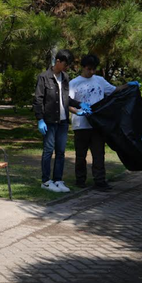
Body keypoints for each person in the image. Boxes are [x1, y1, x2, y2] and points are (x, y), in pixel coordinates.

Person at [68, 54, 138, 191]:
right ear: (83, 67)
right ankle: (80, 180)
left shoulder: (99, 80)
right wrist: (77, 111)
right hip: (81, 125)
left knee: (99, 153)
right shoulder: (73, 83)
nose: (92, 72)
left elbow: (114, 91)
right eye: (89, 69)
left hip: (98, 125)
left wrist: (128, 86)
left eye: (94, 69)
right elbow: (67, 103)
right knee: (80, 154)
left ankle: (100, 181)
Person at [33, 49, 91, 193]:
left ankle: (58, 180)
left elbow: (66, 99)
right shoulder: (44, 77)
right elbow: (38, 100)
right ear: (57, 61)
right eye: (65, 64)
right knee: (48, 151)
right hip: (50, 121)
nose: (67, 68)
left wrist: (79, 105)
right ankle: (46, 181)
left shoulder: (65, 77)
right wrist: (40, 119)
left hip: (63, 121)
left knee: (61, 152)